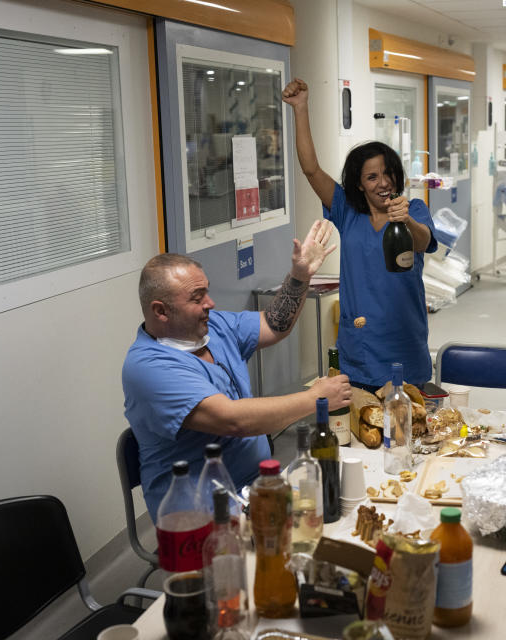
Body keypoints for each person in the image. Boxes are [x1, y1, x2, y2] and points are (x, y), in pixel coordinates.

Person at [121, 221, 353, 521]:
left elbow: (273, 324)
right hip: (201, 512)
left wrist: (299, 276)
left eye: (207, 292)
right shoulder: (148, 367)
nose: (210, 303)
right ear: (160, 311)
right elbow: (232, 421)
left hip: (254, 488)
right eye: (197, 297)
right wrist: (316, 399)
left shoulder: (211, 327)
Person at [282, 78, 438, 391]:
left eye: (388, 173)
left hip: (404, 336)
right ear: (359, 184)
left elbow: (423, 242)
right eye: (372, 177)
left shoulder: (415, 209)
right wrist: (300, 109)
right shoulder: (347, 213)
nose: (383, 182)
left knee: (408, 427)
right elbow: (311, 169)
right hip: (362, 341)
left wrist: (406, 219)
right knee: (362, 430)